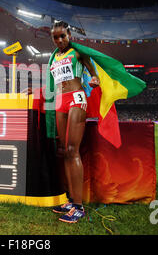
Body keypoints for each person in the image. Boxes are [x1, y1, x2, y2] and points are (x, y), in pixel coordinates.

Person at [48, 20, 99, 223]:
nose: (59, 40)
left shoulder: (78, 53)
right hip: (60, 101)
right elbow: (53, 83)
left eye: (63, 36)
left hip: (76, 98)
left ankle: (78, 207)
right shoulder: (53, 58)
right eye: (55, 37)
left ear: (69, 35)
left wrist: (94, 80)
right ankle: (70, 201)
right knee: (64, 150)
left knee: (72, 149)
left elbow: (94, 74)